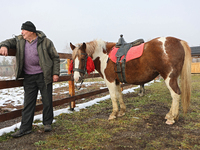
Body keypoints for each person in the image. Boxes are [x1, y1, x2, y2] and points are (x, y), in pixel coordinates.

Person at [0, 21, 60, 138]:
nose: (21, 32)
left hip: (44, 75)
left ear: (31, 31)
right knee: (28, 103)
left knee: (47, 100)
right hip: (29, 77)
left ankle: (47, 123)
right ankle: (26, 128)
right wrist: (4, 46)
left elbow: (55, 58)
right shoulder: (19, 40)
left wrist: (55, 73)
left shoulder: (46, 42)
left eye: (24, 30)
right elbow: (7, 42)